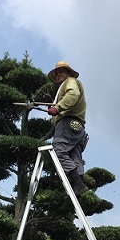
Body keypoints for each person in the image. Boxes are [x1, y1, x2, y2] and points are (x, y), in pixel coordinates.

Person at [47, 61, 89, 196]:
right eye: (57, 73)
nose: (59, 74)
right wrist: (53, 102)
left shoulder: (70, 82)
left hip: (67, 124)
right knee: (74, 156)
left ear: (69, 73)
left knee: (57, 152)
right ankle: (79, 185)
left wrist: (58, 107)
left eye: (62, 71)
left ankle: (77, 183)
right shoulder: (65, 86)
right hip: (78, 128)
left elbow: (72, 95)